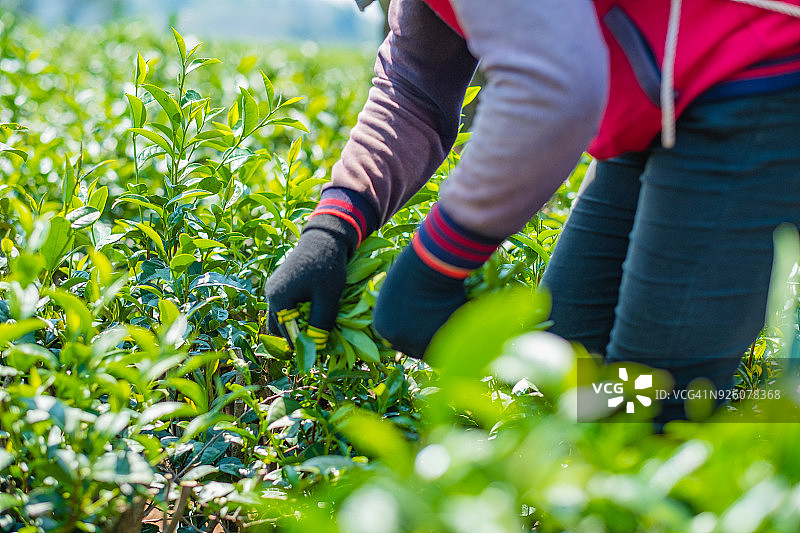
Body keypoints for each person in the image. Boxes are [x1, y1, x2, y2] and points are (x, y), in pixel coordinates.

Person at [265, 0, 800, 420]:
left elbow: (552, 86)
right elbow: (416, 81)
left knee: (653, 401)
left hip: (760, 73)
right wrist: (335, 225)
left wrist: (433, 268)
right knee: (572, 371)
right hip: (663, 95)